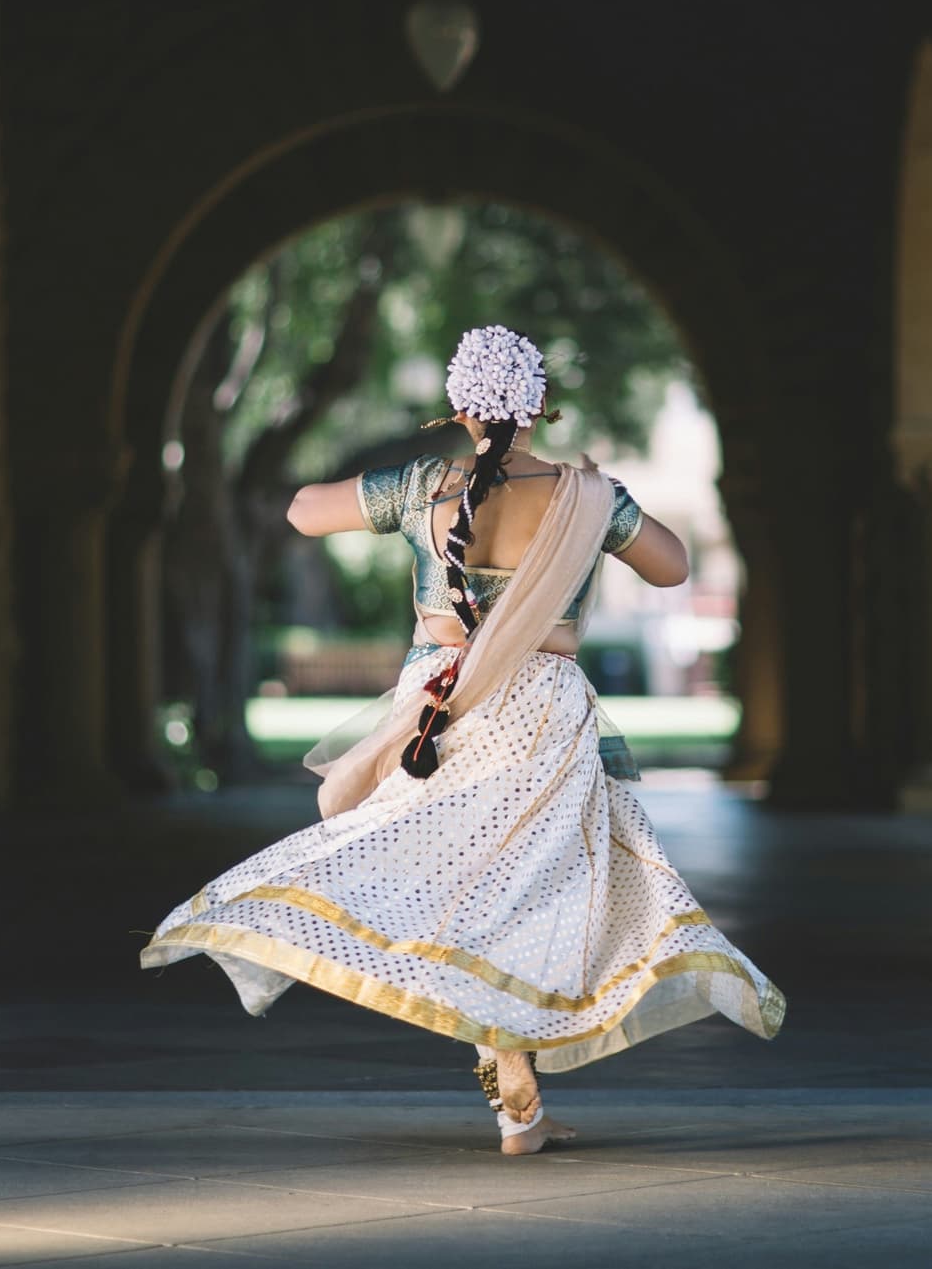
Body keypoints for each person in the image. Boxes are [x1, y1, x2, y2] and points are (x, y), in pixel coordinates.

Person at [140, 326, 784, 1155]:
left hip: (436, 712)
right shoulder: (586, 497)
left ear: (457, 408)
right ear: (542, 406)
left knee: (448, 886)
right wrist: (608, 509)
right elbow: (673, 567)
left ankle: (516, 1102)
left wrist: (396, 490)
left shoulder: (425, 488)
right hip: (541, 714)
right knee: (522, 895)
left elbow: (301, 511)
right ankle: (520, 1101)